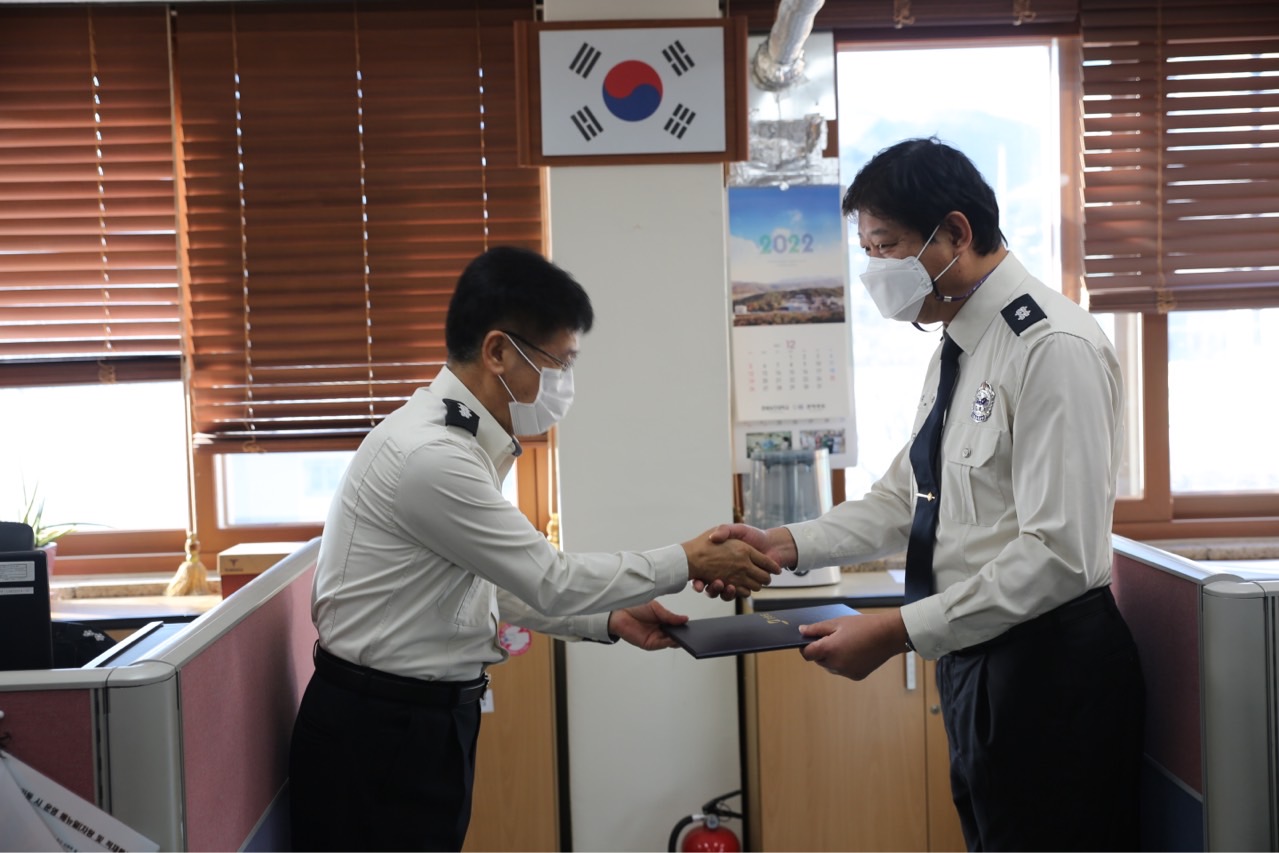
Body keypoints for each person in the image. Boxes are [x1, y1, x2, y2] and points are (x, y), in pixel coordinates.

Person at [713, 138, 1143, 851]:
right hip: (976, 658)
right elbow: (905, 498)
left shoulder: (1050, 347)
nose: (875, 270)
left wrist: (897, 631)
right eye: (867, 251)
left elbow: (1059, 553)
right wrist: (782, 544)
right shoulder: (959, 344)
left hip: (1049, 672)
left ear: (955, 233)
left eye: (887, 246)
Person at [289, 245, 779, 852]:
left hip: (413, 721)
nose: (563, 382)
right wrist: (689, 560)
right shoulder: (432, 457)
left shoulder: (459, 443)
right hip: (379, 730)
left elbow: (484, 587)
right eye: (558, 362)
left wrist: (607, 618)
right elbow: (550, 578)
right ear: (497, 351)